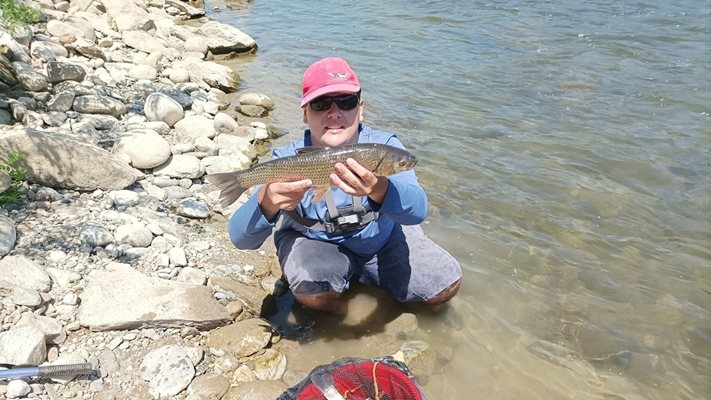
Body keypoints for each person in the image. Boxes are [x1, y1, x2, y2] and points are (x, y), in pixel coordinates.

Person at [227, 56, 462, 314]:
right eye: (321, 103)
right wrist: (267, 202)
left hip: (380, 240)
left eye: (346, 102)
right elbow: (240, 239)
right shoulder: (287, 159)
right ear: (305, 113)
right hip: (317, 243)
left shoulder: (385, 147)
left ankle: (374, 282)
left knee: (444, 285)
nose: (334, 112)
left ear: (361, 108)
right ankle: (340, 311)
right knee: (313, 292)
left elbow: (418, 211)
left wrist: (380, 190)